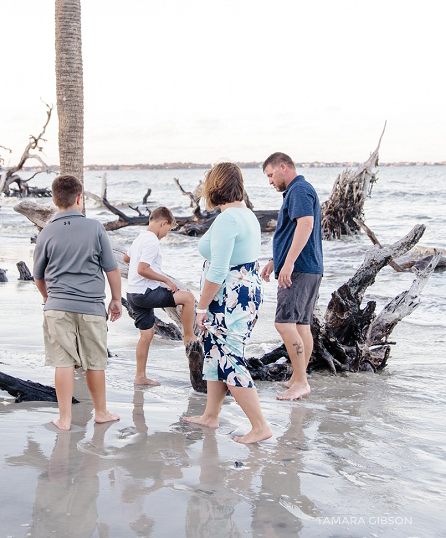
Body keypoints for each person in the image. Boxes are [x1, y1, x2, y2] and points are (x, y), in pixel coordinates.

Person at [183, 162, 273, 444]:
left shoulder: (228, 219)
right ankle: (211, 415)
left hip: (230, 296)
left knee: (230, 357)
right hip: (244, 291)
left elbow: (219, 270)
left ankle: (260, 426)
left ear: (214, 185)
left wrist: (200, 307)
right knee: (214, 353)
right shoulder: (244, 214)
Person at [33, 174, 123, 431]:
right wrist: (116, 300)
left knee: (62, 362)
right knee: (95, 361)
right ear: (80, 199)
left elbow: (38, 277)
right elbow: (112, 270)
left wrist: (48, 299)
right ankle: (102, 412)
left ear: (54, 200)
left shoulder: (46, 233)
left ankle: (64, 419)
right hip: (92, 307)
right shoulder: (95, 228)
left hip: (57, 307)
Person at [262, 152, 323, 401]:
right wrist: (276, 260)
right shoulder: (299, 189)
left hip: (299, 269)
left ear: (283, 167)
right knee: (301, 325)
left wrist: (287, 264)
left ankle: (302, 381)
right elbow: (293, 232)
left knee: (284, 324)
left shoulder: (298, 190)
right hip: (309, 267)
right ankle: (299, 378)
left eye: (270, 175)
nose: (269, 181)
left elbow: (305, 225)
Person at [123, 207, 197, 385]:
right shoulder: (152, 241)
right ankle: (189, 336)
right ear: (163, 223)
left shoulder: (140, 237)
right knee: (188, 298)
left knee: (146, 335)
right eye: (168, 230)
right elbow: (142, 269)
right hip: (145, 293)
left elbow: (126, 259)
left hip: (133, 293)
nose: (165, 234)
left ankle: (140, 377)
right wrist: (165, 280)